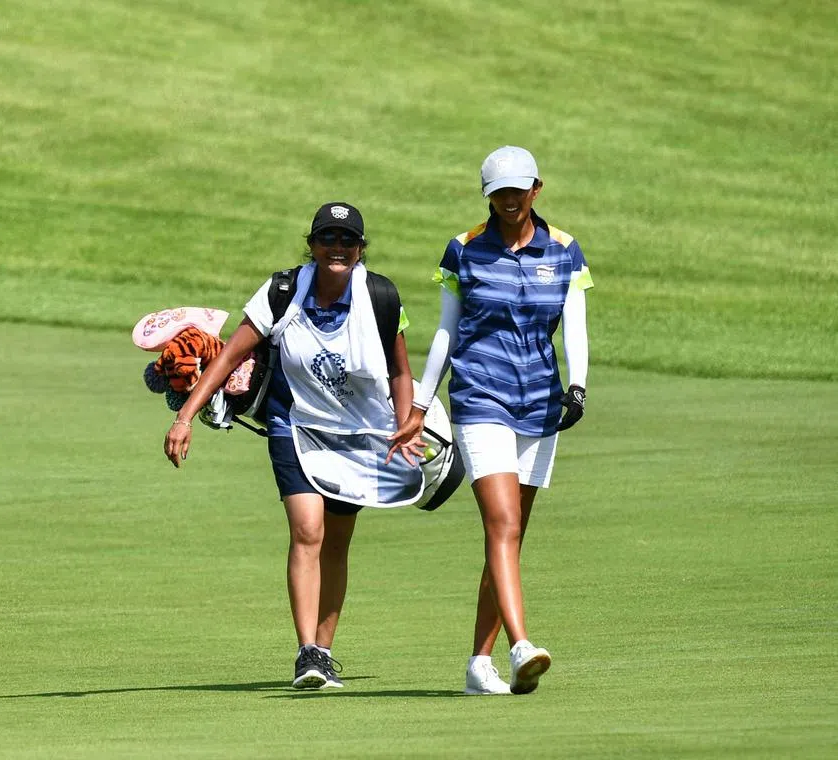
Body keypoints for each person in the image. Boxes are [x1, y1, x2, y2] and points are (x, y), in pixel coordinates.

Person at [164, 202, 422, 690]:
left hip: (359, 431)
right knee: (308, 530)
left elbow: (399, 370)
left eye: (347, 241)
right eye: (328, 238)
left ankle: (324, 651)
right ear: (313, 244)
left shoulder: (383, 297)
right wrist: (185, 416)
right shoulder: (283, 291)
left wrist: (407, 422)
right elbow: (229, 356)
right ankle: (307, 651)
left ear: (361, 249)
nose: (337, 248)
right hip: (294, 423)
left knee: (338, 542)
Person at [390, 146, 593, 696]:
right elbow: (445, 332)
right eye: (498, 193)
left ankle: (479, 665)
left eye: (517, 190)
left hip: (540, 404)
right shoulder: (465, 249)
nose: (508, 201)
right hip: (480, 397)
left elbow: (574, 324)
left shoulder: (567, 249)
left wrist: (577, 386)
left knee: (511, 536)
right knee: (501, 524)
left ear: (536, 188)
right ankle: (521, 644)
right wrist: (419, 405)